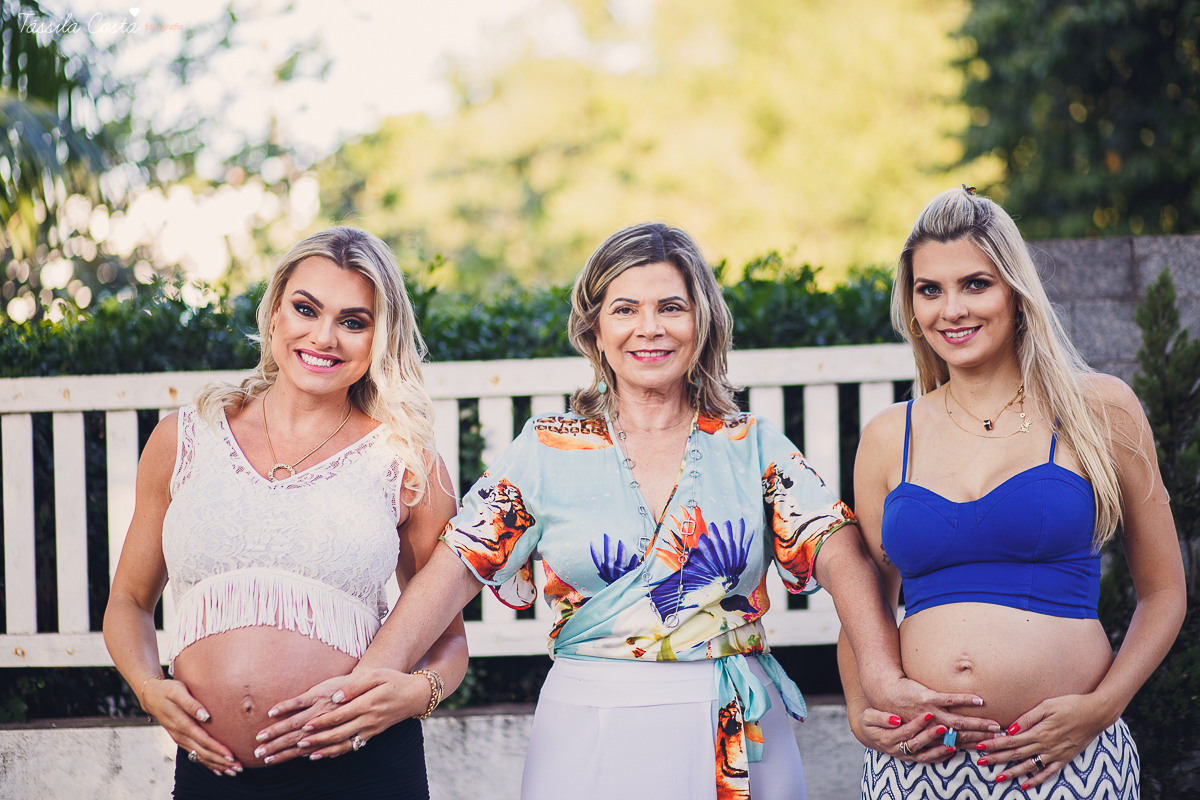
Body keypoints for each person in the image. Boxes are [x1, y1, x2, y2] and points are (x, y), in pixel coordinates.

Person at [260, 222, 994, 800]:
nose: (650, 328)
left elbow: (836, 549)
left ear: (700, 322)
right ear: (596, 328)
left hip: (735, 722)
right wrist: (368, 683)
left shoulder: (751, 444)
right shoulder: (547, 448)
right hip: (591, 727)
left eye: (671, 307)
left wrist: (883, 672)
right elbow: (454, 566)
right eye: (626, 309)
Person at [841, 187, 1186, 798]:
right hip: (920, 766)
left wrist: (1102, 707)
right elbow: (865, 608)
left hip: (1062, 760)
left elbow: (1163, 593)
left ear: (1017, 295)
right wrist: (859, 709)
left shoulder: (1099, 409)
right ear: (911, 303)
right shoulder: (888, 435)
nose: (952, 309)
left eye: (976, 284)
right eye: (930, 289)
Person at [103, 227, 466, 800]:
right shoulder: (182, 440)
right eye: (305, 309)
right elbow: (127, 604)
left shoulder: (405, 462)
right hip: (212, 774)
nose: (324, 337)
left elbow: (449, 645)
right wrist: (149, 688)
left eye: (354, 321)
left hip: (361, 771)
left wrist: (414, 694)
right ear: (274, 313)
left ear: (380, 339)